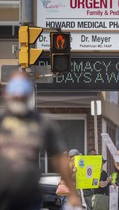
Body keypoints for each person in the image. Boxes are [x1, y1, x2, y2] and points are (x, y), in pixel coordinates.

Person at [0, 72, 81, 209]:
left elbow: (59, 159)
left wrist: (73, 194)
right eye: (16, 94)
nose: (19, 97)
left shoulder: (43, 123)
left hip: (30, 198)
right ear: (7, 94)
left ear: (28, 95)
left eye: (23, 95)